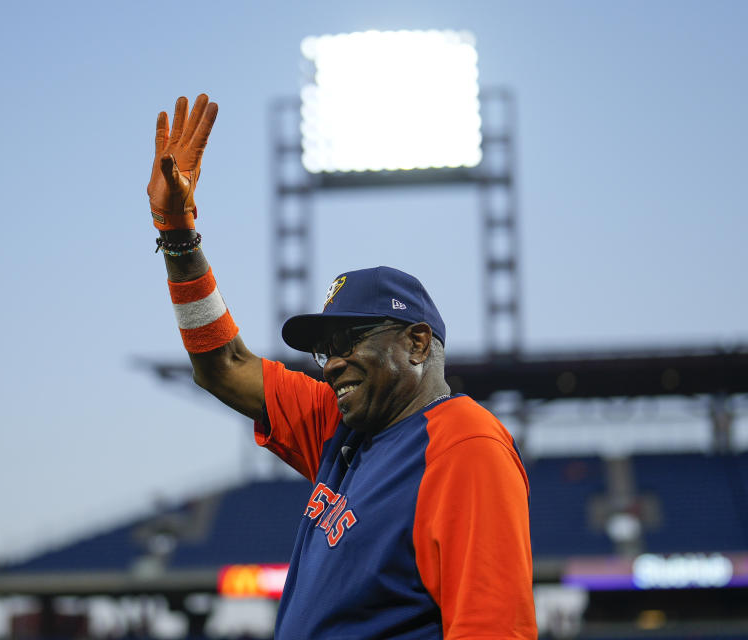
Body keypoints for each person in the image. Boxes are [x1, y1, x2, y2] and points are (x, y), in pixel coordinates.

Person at [147, 94, 537, 639]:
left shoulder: (464, 444)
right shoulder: (344, 430)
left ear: (417, 342)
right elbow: (222, 365)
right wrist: (178, 234)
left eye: (350, 341)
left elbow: (493, 630)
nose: (332, 365)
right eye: (325, 349)